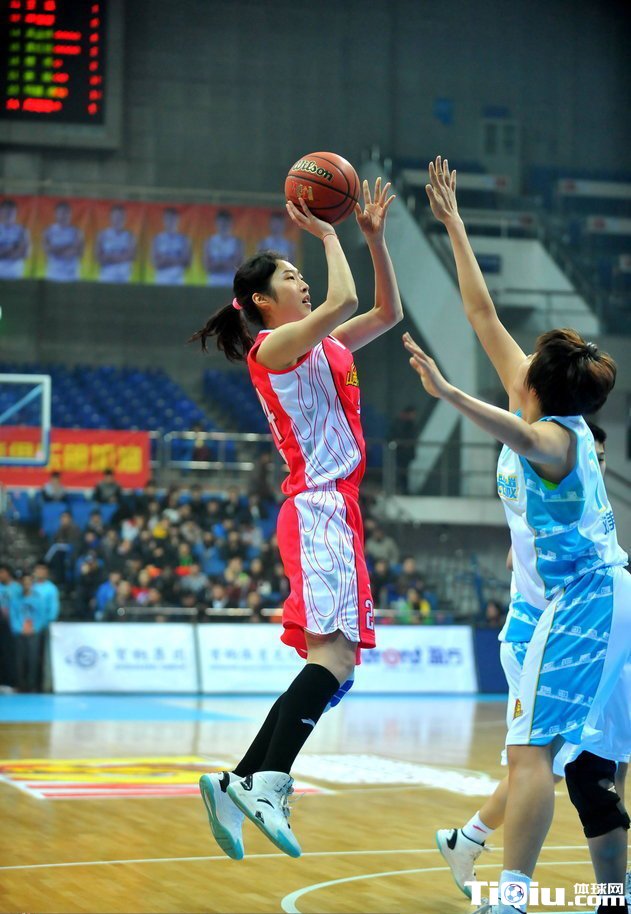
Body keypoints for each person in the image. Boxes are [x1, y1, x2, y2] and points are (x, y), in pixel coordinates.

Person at [407, 157, 631, 914]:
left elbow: (518, 434)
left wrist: (447, 392)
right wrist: (453, 224)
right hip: (569, 600)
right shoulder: (535, 402)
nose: (518, 358)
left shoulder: (556, 438)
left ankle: (508, 895)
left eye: (528, 362)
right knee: (571, 760)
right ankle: (602, 892)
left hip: (586, 600)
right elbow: (481, 314)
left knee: (534, 753)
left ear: (538, 384)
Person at [190, 177, 401, 860]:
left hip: (335, 509)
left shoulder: (327, 344)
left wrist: (373, 240)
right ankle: (271, 782)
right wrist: (328, 232)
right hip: (318, 506)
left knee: (333, 662)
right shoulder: (271, 349)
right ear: (261, 300)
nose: (303, 283)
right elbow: (343, 300)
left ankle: (239, 782)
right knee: (334, 658)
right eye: (290, 276)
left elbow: (386, 311)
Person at [95, 204, 137, 283]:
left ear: (124, 218)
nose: (117, 220)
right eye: (115, 217)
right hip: (106, 277)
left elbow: (131, 256)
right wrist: (121, 256)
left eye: (120, 217)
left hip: (124, 278)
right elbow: (98, 258)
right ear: (110, 218)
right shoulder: (102, 235)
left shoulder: (130, 236)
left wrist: (109, 257)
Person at [43, 201, 84, 282]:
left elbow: (78, 252)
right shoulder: (48, 231)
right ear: (56, 214)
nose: (63, 216)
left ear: (70, 214)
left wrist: (56, 249)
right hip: (53, 274)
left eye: (66, 213)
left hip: (71, 275)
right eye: (61, 213)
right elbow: (47, 250)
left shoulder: (76, 232)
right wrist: (68, 246)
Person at [203, 209, 244, 286]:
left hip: (230, 283)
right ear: (216, 223)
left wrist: (217, 265)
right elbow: (207, 266)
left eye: (226, 223)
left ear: (231, 224)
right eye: (221, 223)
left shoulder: (237, 242)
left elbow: (237, 265)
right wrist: (228, 263)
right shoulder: (209, 242)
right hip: (213, 283)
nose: (223, 225)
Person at [151, 207, 191, 285]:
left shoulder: (183, 239)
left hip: (178, 281)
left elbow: (186, 262)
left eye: (173, 219)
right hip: (161, 281)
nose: (170, 221)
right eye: (168, 219)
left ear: (178, 220)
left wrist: (165, 258)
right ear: (163, 220)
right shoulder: (157, 239)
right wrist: (178, 259)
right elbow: (156, 263)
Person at [0, 198, 30, 279]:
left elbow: (25, 253)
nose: (8, 213)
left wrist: (3, 252)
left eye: (11, 211)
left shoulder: (22, 231)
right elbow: (19, 251)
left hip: (15, 274)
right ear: (1, 212)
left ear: (16, 212)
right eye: (6, 210)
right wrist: (14, 247)